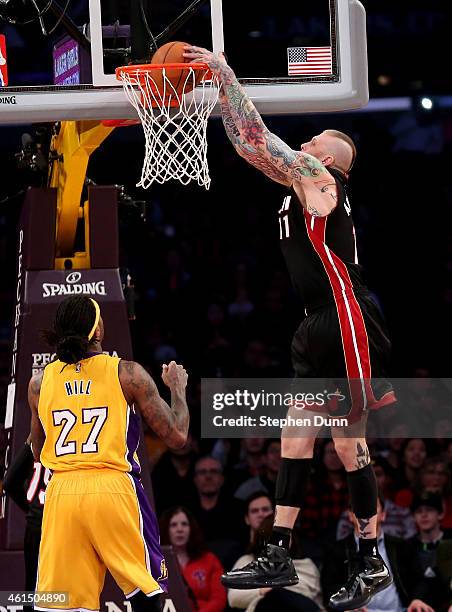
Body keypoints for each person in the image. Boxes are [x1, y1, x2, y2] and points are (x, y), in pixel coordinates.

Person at [183, 45, 396, 610]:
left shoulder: (321, 179)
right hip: (315, 322)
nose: (305, 145)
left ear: (332, 164)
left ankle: (372, 558)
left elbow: (258, 139)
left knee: (349, 444)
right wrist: (222, 95)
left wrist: (223, 73)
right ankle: (277, 549)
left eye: (316, 143)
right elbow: (251, 147)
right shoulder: (301, 185)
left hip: (345, 317)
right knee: (295, 435)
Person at [29, 295, 189, 612]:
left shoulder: (39, 382)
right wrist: (177, 388)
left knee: (63, 605)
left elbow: (37, 451)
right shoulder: (127, 373)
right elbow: (177, 437)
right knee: (146, 590)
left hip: (61, 493)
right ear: (98, 331)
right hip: (111, 487)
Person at [321, 497, 436, 612]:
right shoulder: (336, 550)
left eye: (372, 506)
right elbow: (329, 587)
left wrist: (417, 599)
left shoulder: (401, 546)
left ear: (383, 515)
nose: (366, 511)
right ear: (350, 515)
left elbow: (421, 580)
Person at [228, 515, 323, 612]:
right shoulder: (248, 561)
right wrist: (265, 590)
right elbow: (234, 598)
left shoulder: (306, 565)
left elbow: (309, 598)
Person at [159, 506, 227, 612]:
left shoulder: (210, 560)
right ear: (165, 529)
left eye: (184, 524)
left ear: (192, 529)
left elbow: (219, 599)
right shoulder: (156, 562)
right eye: (173, 525)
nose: (180, 529)